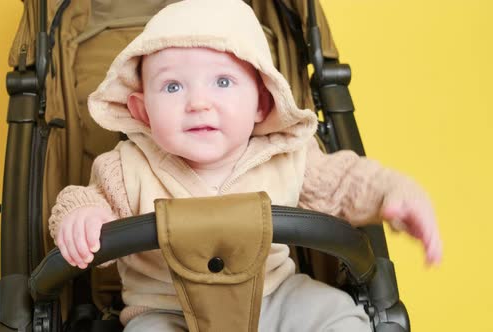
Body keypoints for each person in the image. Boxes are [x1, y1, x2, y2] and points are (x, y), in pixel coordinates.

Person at [49, 0, 442, 330]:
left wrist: (393, 192)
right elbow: (81, 199)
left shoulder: (286, 156)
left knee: (338, 316)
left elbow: (346, 181)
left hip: (275, 298)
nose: (198, 102)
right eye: (173, 86)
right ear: (143, 111)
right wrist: (84, 217)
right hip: (168, 310)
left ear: (262, 102)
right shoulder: (126, 167)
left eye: (222, 82)